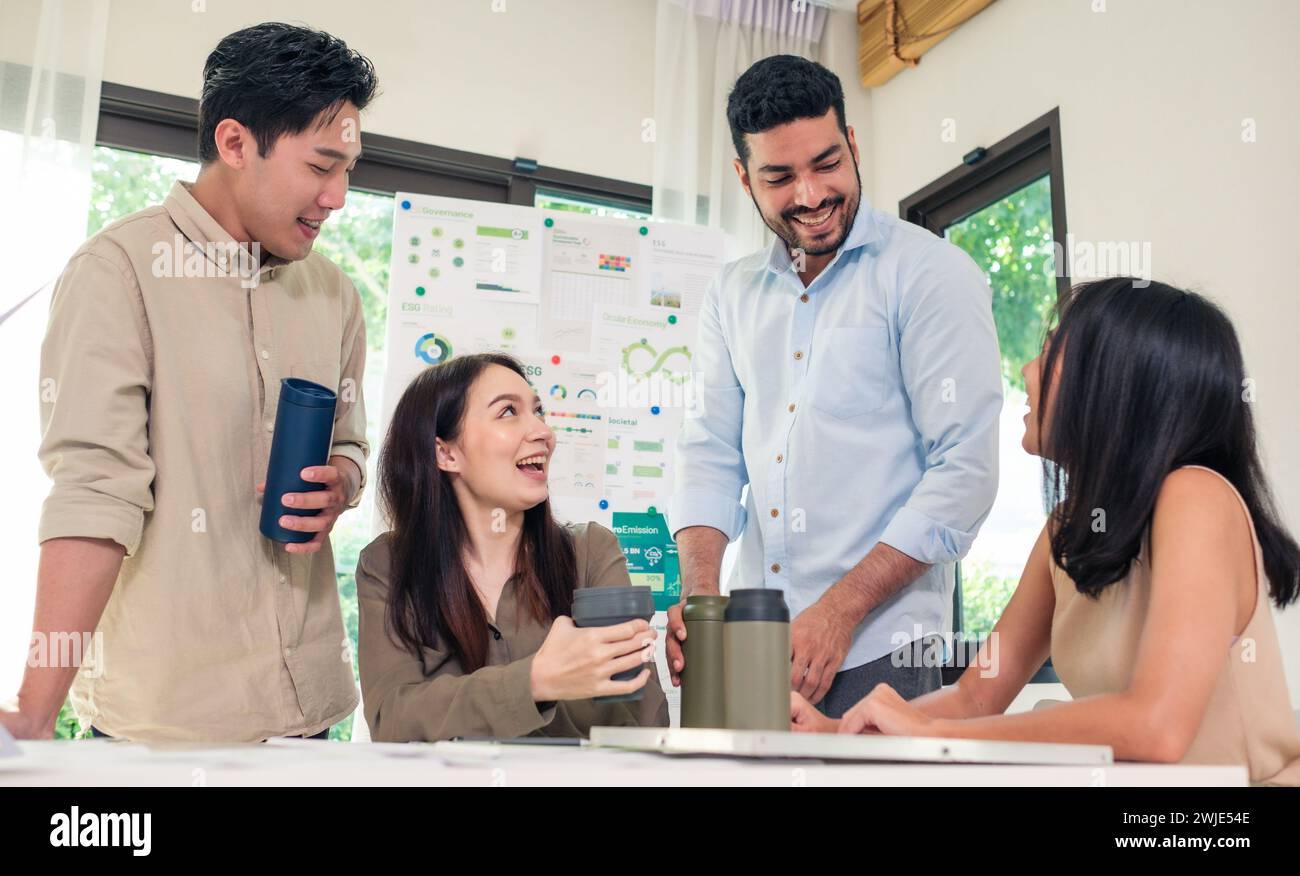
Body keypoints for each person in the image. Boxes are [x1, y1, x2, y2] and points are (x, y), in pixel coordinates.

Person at [0, 23, 379, 742]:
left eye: (350, 170)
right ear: (235, 144)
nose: (338, 198)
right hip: (169, 724)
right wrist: (34, 710)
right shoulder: (118, 273)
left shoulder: (334, 293)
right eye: (321, 166)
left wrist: (344, 480)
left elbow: (354, 445)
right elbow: (94, 493)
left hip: (312, 714)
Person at [791, 278, 1300, 786]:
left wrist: (935, 740)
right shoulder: (1067, 528)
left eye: (1053, 350)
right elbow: (975, 697)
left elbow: (1157, 727)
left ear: (1113, 384)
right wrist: (841, 733)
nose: (1027, 369)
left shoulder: (1195, 496)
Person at [666, 54, 1002, 716]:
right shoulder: (732, 295)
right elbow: (709, 452)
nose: (812, 195)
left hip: (882, 649)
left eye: (826, 164)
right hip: (751, 648)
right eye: (781, 176)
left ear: (852, 143)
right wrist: (700, 595)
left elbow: (964, 473)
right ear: (744, 178)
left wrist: (841, 610)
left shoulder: (930, 276)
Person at [358, 353, 669, 741]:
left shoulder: (591, 553)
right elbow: (394, 719)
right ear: (446, 453)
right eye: (508, 412)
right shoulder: (387, 565)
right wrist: (535, 682)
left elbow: (647, 722)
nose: (542, 432)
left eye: (538, 411)